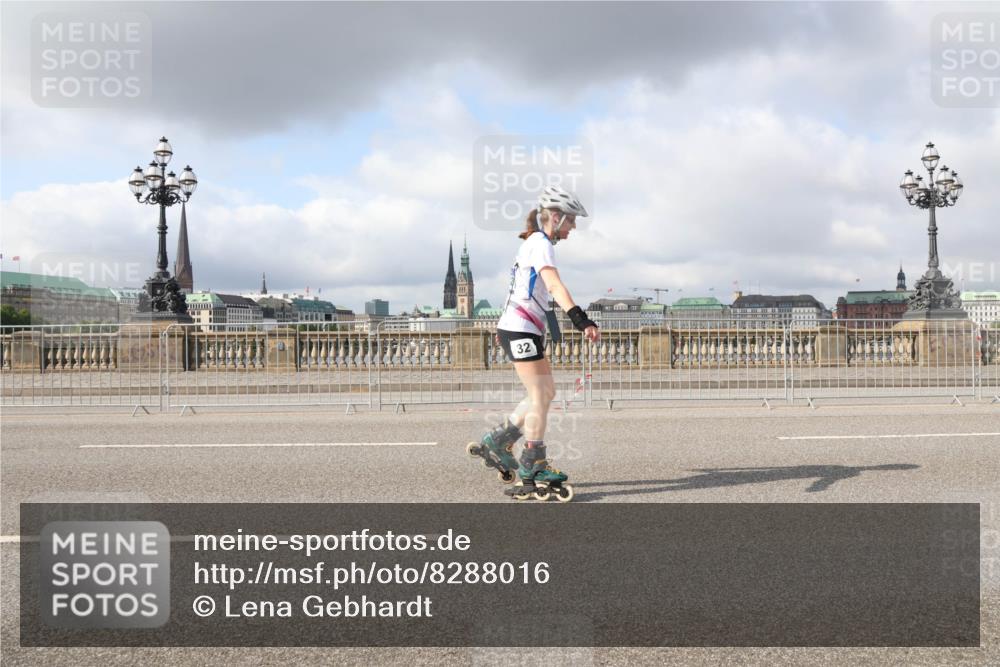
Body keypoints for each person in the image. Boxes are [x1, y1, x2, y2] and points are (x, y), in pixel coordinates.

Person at [466, 185, 600, 502]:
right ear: (555, 217)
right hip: (519, 329)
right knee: (540, 394)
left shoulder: (536, 243)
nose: (574, 227)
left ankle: (498, 441)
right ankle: (533, 464)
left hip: (523, 329)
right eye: (571, 220)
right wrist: (581, 319)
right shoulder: (540, 243)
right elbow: (554, 284)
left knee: (544, 392)